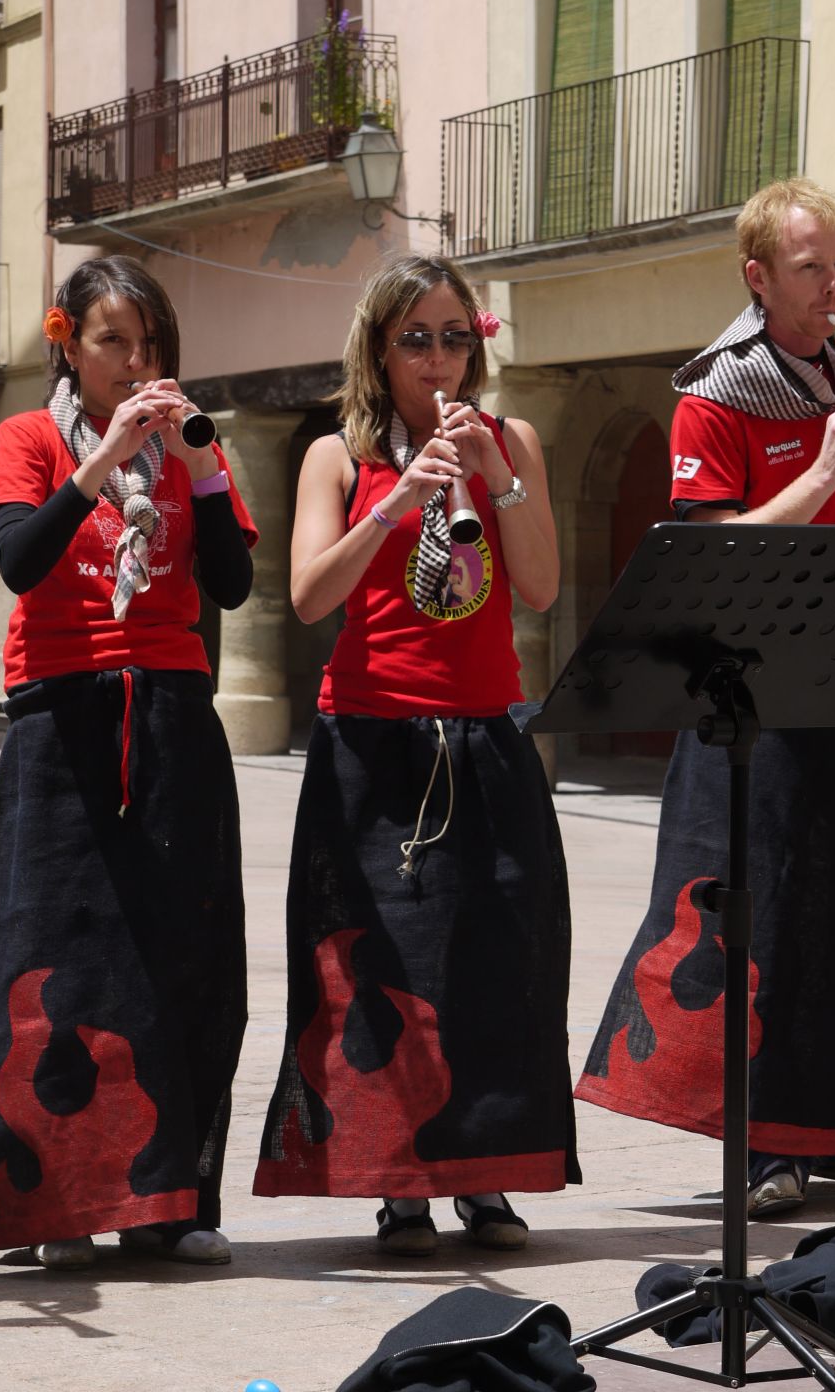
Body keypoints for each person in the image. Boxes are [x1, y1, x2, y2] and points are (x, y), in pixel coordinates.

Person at [576, 178, 835, 1219]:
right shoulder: (716, 393)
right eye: (808, 268)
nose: (832, 287)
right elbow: (709, 550)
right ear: (757, 277)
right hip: (762, 689)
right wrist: (827, 466)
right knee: (770, 919)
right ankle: (763, 1145)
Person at [253, 252, 578, 1255]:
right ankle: (398, 1185)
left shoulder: (511, 440)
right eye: (416, 340)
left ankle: (486, 1175)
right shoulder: (335, 455)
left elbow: (540, 589)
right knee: (381, 969)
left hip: (484, 735)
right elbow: (309, 595)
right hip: (371, 740)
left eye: (454, 338)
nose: (438, 359)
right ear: (380, 351)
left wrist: (494, 478)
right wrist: (398, 500)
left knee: (498, 964)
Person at [0, 257, 257, 1270]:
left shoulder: (190, 450)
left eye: (151, 343)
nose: (137, 362)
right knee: (54, 961)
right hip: (62, 716)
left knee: (184, 955)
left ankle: (168, 1200)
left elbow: (231, 585)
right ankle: (57, 1204)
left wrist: (202, 469)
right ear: (70, 344)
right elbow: (19, 560)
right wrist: (101, 462)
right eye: (113, 341)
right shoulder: (28, 437)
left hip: (171, 709)